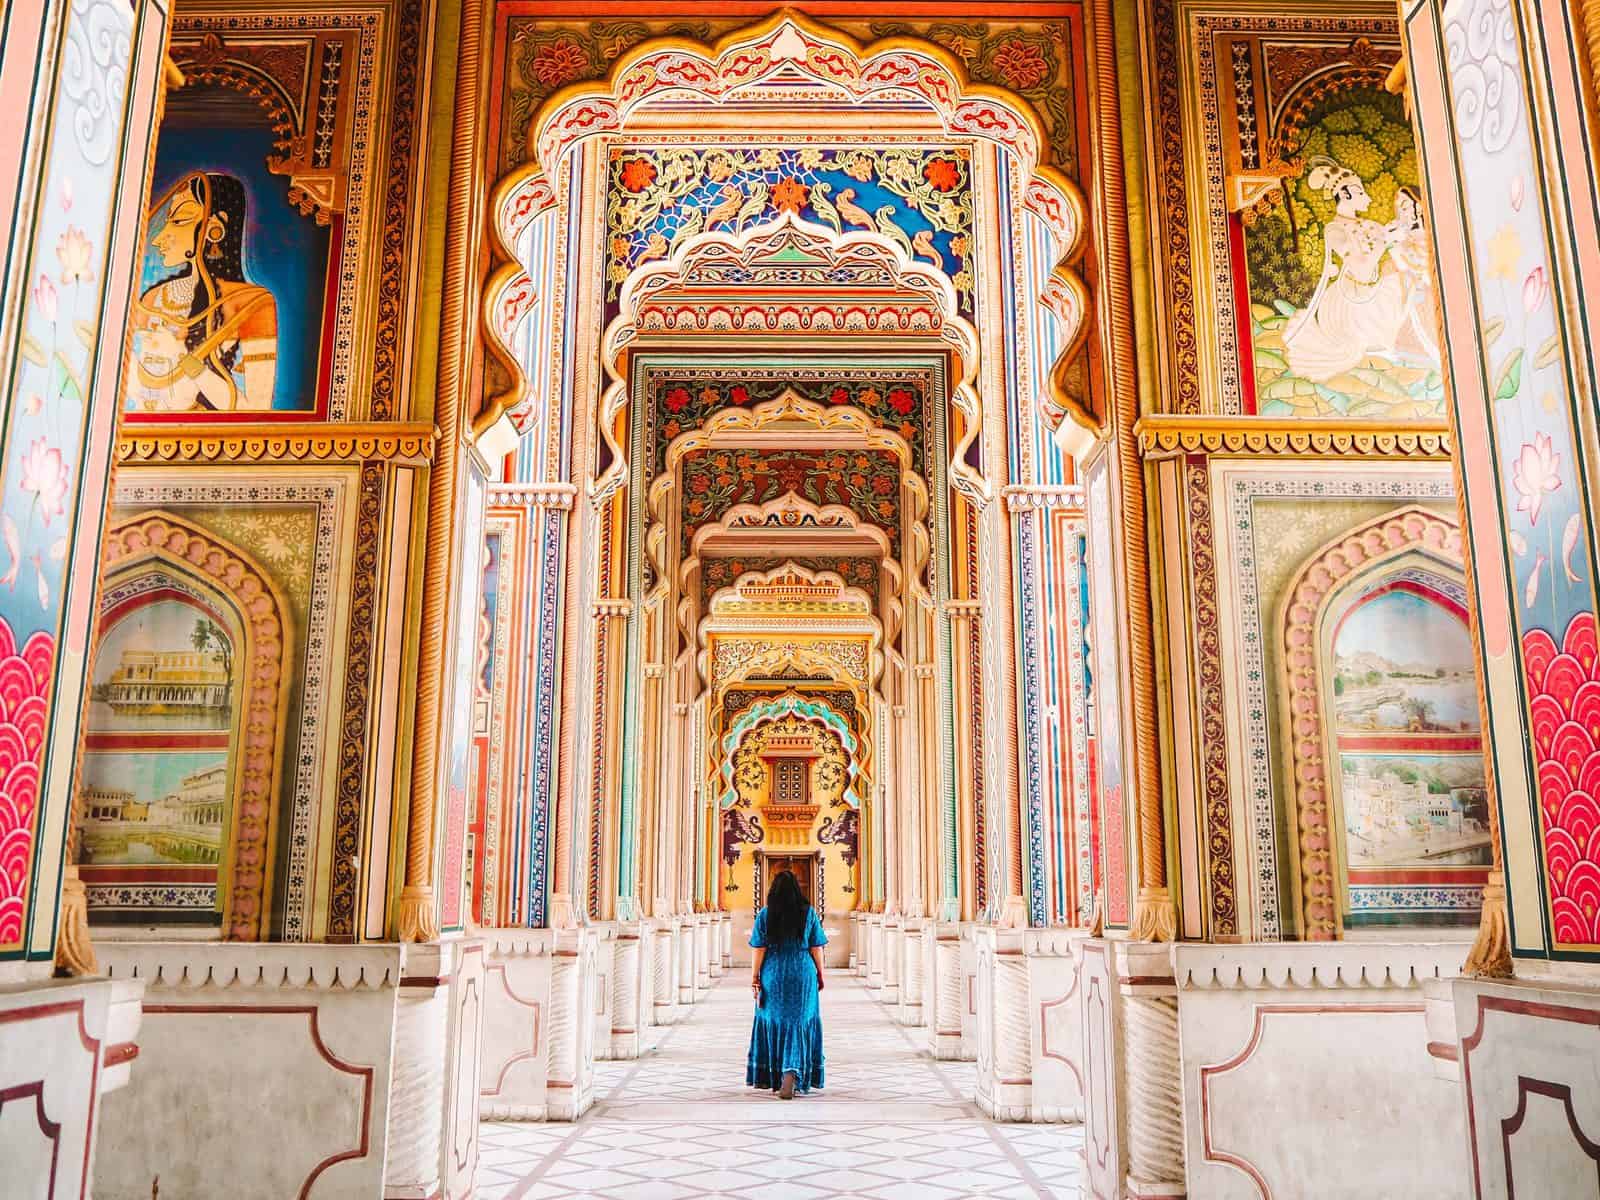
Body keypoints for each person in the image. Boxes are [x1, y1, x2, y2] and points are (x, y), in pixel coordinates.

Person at [129, 170, 278, 412]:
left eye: (179, 220)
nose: (159, 238)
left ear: (215, 228)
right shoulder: (153, 299)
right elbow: (137, 395)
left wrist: (183, 360)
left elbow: (255, 411)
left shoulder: (252, 303)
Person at [747, 870, 827, 1100]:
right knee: (801, 1022)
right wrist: (820, 974)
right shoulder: (808, 914)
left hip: (774, 972)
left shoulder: (765, 915)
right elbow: (816, 948)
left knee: (775, 1020)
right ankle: (793, 1070)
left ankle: (777, 1071)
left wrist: (755, 976)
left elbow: (759, 948)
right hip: (802, 972)